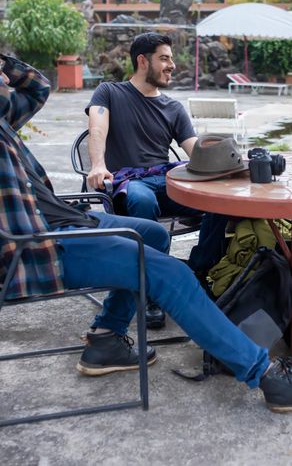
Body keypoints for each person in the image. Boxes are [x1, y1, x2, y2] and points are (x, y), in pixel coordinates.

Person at [0, 30, 292, 413]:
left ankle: (107, 338)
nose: (3, 77)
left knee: (153, 234)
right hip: (34, 248)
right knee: (172, 274)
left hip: (55, 226)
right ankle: (268, 379)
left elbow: (35, 88)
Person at [84, 32, 224, 327]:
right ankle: (150, 290)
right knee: (141, 199)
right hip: (127, 182)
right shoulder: (109, 92)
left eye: (172, 58)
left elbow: (195, 152)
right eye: (164, 58)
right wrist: (97, 165)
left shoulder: (173, 107)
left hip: (166, 180)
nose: (172, 64)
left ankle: (197, 272)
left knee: (221, 202)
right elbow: (97, 129)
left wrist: (229, 158)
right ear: (142, 61)